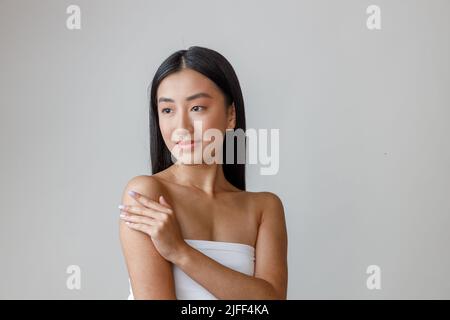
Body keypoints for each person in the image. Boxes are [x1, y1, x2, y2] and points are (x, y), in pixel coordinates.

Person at [119, 46, 288, 299]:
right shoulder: (147, 194)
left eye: (197, 108)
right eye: (167, 110)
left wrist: (179, 251)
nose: (182, 127)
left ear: (231, 115)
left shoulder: (264, 208)